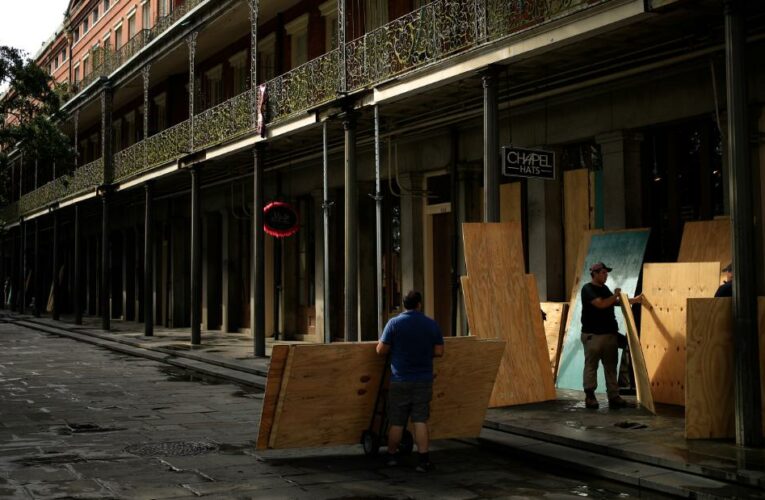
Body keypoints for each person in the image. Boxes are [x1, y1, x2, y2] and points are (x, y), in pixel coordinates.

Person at [376, 290, 444, 472]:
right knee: (420, 421)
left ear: (403, 305)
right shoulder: (431, 324)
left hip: (400, 379)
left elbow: (380, 350)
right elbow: (439, 352)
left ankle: (391, 456)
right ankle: (423, 460)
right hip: (423, 379)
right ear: (419, 304)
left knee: (397, 421)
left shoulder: (394, 323)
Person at [580, 262, 642, 410]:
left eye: (606, 273)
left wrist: (635, 300)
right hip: (593, 336)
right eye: (602, 273)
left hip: (609, 335)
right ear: (594, 274)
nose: (605, 275)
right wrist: (615, 295)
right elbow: (601, 304)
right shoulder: (588, 289)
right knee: (591, 366)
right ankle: (590, 396)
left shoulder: (605, 289)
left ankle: (614, 397)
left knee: (611, 367)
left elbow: (616, 302)